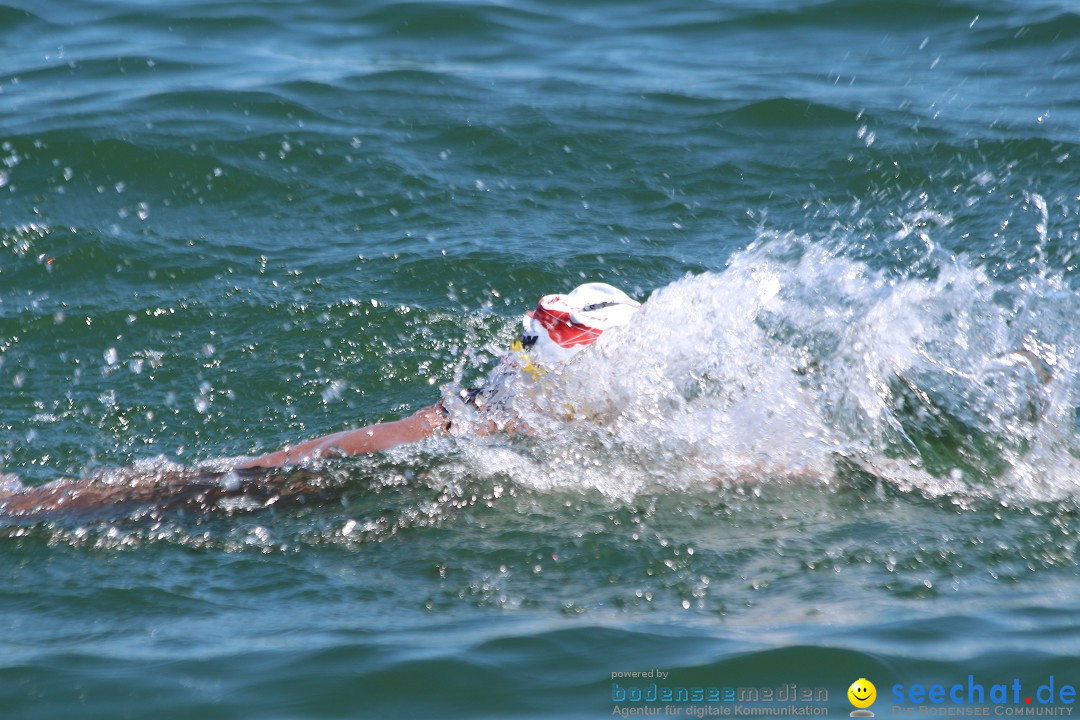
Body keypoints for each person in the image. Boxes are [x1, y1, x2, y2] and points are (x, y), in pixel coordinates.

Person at [0, 283, 642, 518]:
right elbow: (290, 461)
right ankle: (32, 500)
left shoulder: (490, 417)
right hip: (333, 498)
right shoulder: (470, 423)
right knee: (212, 486)